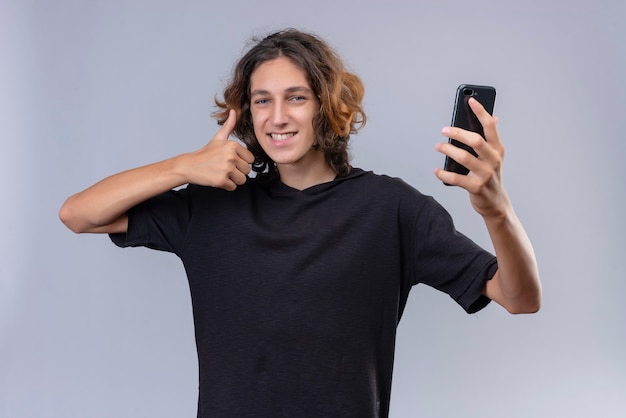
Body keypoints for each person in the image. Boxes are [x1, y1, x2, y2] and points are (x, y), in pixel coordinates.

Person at [59, 28, 541, 418]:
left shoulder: (390, 208)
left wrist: (495, 207)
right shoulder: (209, 207)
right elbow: (78, 214)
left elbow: (519, 298)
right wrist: (183, 167)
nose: (277, 117)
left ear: (327, 106)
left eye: (296, 97)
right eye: (262, 100)